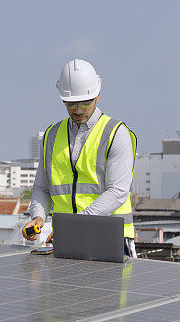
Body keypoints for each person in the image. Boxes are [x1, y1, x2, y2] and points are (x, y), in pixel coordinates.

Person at [23, 59, 137, 257]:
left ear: (98, 95)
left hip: (110, 238)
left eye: (85, 102)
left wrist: (74, 228)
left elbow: (118, 191)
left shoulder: (117, 134)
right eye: (71, 103)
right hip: (67, 239)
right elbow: (42, 187)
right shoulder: (51, 135)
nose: (77, 109)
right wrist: (38, 217)